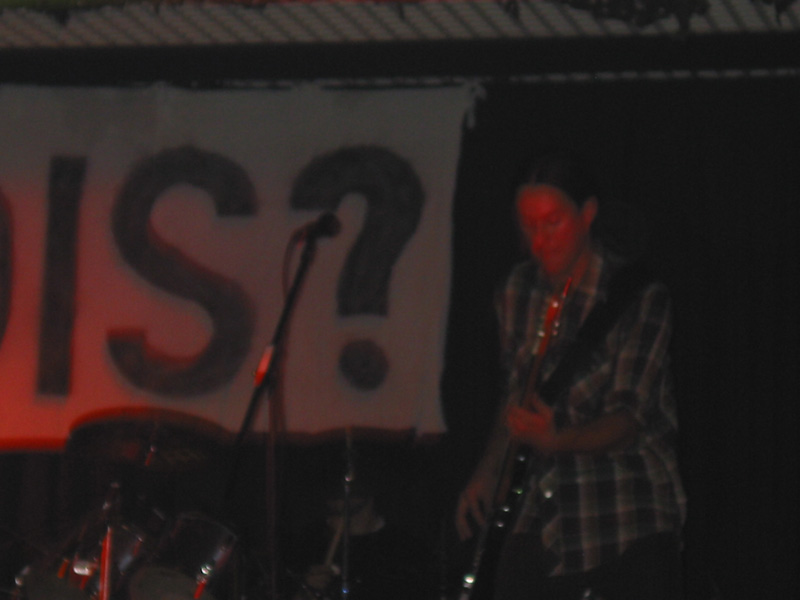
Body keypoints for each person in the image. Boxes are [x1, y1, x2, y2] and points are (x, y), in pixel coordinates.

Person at [454, 149, 687, 600]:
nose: (540, 239)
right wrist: (488, 470)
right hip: (539, 517)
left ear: (588, 213)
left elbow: (628, 419)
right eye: (528, 226)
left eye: (552, 222)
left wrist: (556, 439)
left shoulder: (639, 297)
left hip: (621, 519)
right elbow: (514, 395)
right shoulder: (517, 290)